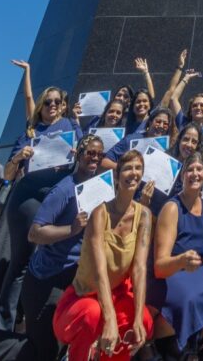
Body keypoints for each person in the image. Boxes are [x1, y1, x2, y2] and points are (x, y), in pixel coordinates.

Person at [0, 137, 106, 361]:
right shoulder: (63, 189)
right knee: (42, 349)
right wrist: (71, 228)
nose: (95, 158)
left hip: (74, 277)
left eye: (99, 154)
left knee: (55, 348)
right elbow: (35, 233)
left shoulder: (99, 189)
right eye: (90, 153)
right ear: (78, 155)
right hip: (47, 278)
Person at [52, 149, 153, 361]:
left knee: (143, 320)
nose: (134, 173)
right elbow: (99, 272)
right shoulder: (100, 213)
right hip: (85, 295)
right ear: (116, 177)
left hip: (117, 293)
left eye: (138, 168)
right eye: (128, 168)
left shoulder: (144, 215)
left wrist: (136, 316)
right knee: (92, 314)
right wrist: (110, 319)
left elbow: (140, 268)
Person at [0, 85, 82, 331]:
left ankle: (33, 319)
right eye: (47, 102)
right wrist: (17, 158)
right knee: (21, 261)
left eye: (57, 101)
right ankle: (4, 325)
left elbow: (87, 157)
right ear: (41, 106)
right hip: (29, 199)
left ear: (64, 105)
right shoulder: (30, 132)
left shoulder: (72, 128)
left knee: (52, 260)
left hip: (61, 200)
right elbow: (9, 175)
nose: (52, 105)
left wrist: (78, 154)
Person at [148, 152, 203, 360]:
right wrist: (180, 261)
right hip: (170, 276)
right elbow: (160, 267)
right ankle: (154, 343)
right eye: (190, 169)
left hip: (194, 275)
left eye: (199, 169)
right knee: (189, 297)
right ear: (182, 176)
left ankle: (195, 338)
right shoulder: (172, 208)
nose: (195, 174)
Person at [103, 106, 175, 168]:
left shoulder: (170, 149)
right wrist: (126, 168)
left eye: (165, 124)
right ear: (150, 122)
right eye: (158, 122)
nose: (161, 126)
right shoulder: (131, 140)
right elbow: (105, 162)